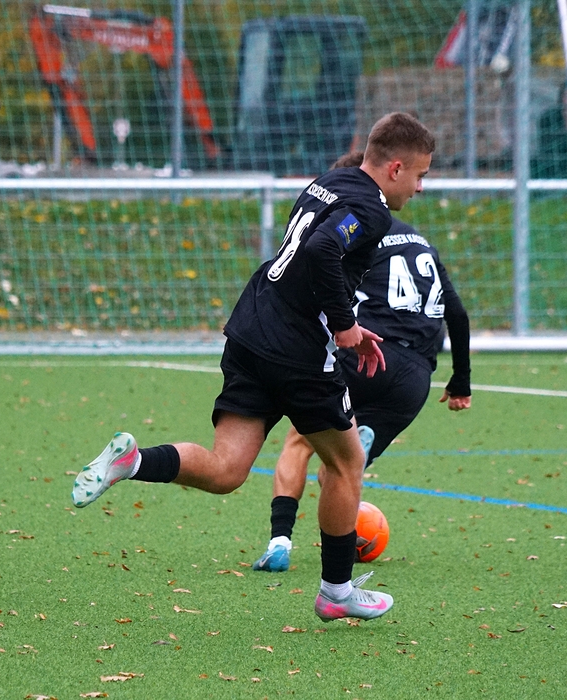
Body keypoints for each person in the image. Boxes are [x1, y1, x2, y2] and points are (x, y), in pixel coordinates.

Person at [71, 113, 435, 621]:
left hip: (252, 326)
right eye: (420, 175)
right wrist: (344, 325)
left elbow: (310, 249)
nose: (419, 188)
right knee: (346, 462)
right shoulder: (370, 210)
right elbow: (323, 248)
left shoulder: (328, 182)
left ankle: (133, 462)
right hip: (298, 348)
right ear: (395, 168)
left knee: (226, 469)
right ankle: (336, 592)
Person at [253, 151, 472, 573]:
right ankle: (361, 448)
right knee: (344, 465)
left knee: (301, 440)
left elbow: (324, 268)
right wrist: (460, 381)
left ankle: (280, 540)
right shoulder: (420, 241)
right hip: (415, 378)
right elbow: (457, 314)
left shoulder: (360, 229)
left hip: (366, 355)